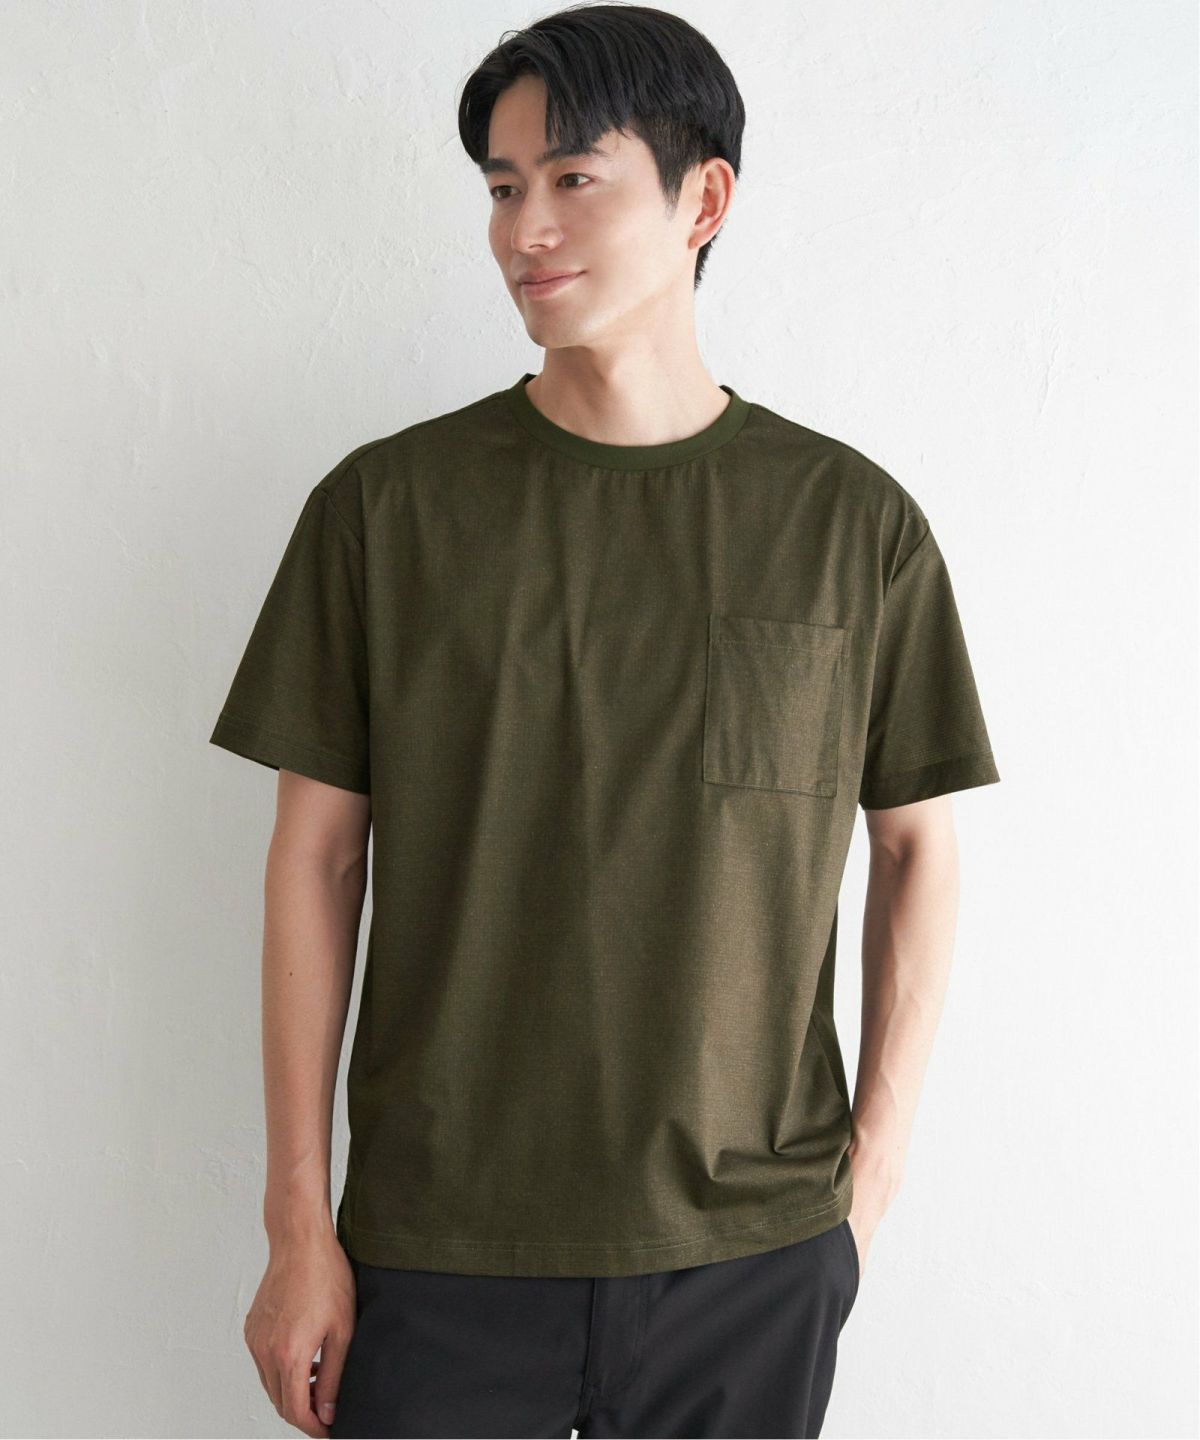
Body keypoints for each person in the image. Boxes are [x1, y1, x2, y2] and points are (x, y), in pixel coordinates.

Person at [209, 5, 1001, 1437]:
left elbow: (917, 851)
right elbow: (314, 861)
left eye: (574, 178)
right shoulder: (386, 511)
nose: (526, 229)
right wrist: (295, 1225)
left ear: (705, 198)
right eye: (503, 187)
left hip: (753, 1250)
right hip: (437, 1247)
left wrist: (865, 1190)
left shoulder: (850, 525)